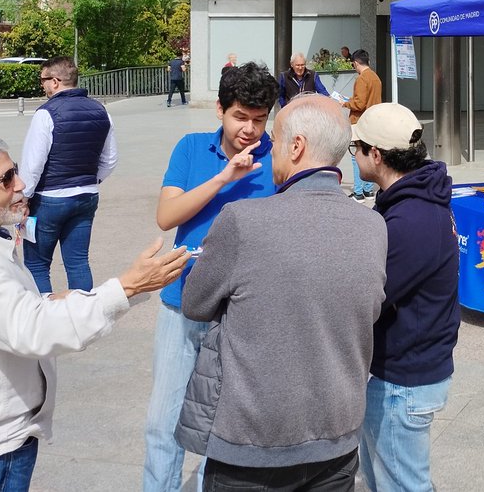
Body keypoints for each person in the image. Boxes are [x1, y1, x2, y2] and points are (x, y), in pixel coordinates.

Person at [0, 132, 188, 492]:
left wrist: (80, 296)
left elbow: (11, 313)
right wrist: (127, 287)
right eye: (5, 179)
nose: (20, 184)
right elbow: (35, 330)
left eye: (15, 171)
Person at [175, 94, 388, 492]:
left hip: (252, 442)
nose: (269, 153)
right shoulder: (373, 225)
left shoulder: (243, 220)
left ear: (296, 147)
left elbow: (196, 303)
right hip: (337, 436)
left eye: (274, 140)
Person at [143, 61, 278, 492]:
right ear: (220, 109)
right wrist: (224, 177)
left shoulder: (280, 158)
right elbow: (167, 216)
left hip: (243, 311)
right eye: (240, 117)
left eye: (259, 119)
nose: (250, 130)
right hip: (182, 304)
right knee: (163, 423)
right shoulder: (191, 147)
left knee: (222, 430)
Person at [351, 103, 460, 492]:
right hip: (409, 368)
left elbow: (369, 298)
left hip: (405, 379)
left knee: (401, 483)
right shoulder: (417, 200)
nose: (354, 156)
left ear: (375, 155)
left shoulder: (412, 219)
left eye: (356, 149)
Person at [20, 55, 117, 294]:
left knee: (37, 264)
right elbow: (111, 159)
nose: (42, 85)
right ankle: (82, 317)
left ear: (55, 81)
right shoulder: (101, 111)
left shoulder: (46, 113)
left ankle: (43, 319)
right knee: (77, 262)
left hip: (48, 200)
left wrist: (22, 198)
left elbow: (32, 164)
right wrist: (92, 180)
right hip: (86, 196)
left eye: (43, 80)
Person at [343, 48, 382, 200]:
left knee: (356, 156)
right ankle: (369, 190)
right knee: (369, 155)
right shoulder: (376, 78)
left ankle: (358, 192)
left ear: (356, 63)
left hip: (359, 122)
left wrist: (345, 103)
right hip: (373, 121)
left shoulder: (361, 79)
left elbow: (359, 104)